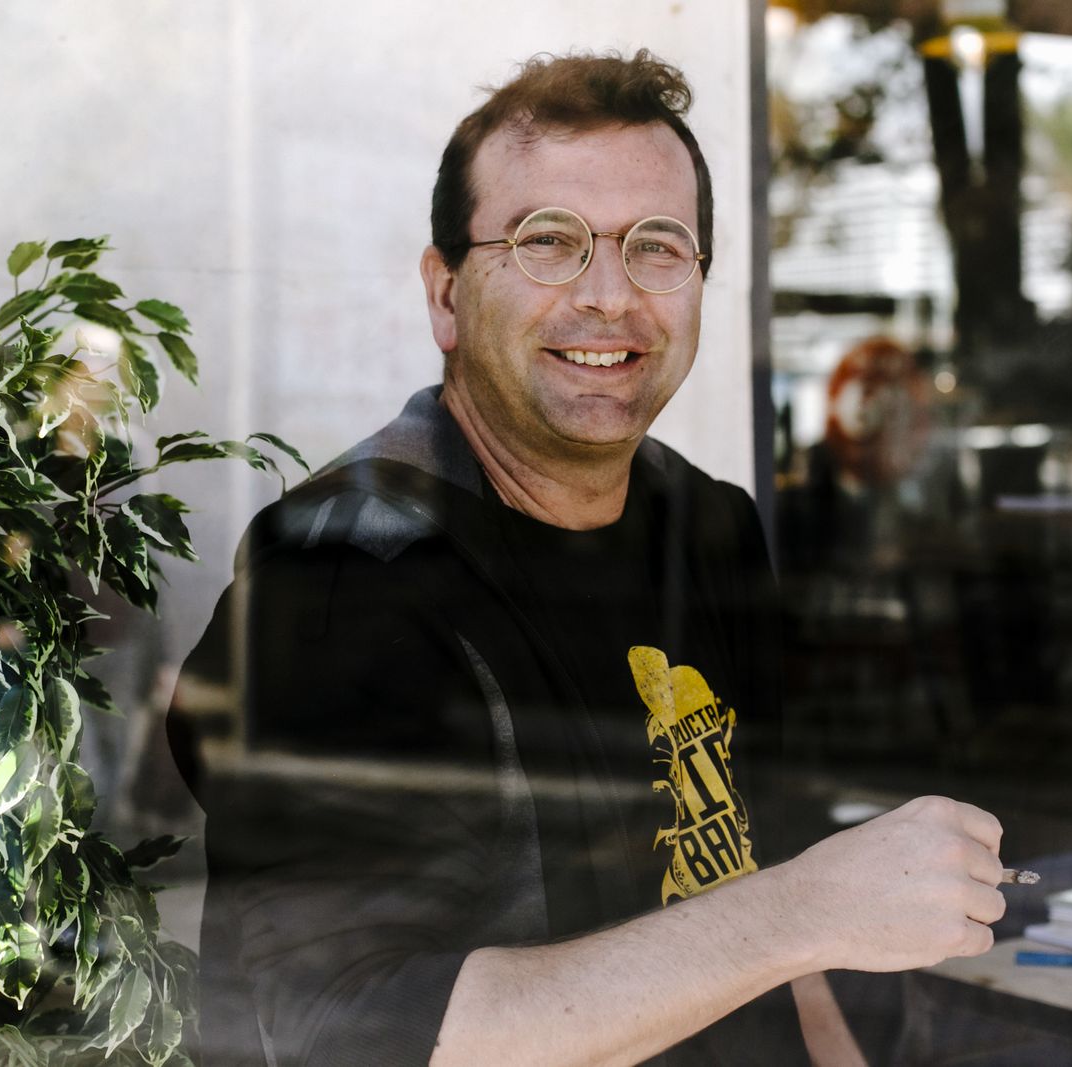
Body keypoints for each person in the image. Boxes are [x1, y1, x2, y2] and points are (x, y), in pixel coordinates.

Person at [165, 49, 1006, 1067]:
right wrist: (806, 906)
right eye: (548, 241)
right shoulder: (345, 575)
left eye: (657, 246)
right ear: (445, 296)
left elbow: (768, 888)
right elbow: (364, 1029)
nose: (609, 295)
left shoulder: (709, 525)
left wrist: (807, 935)